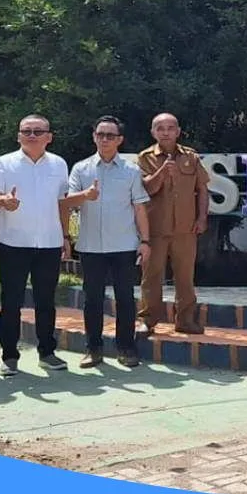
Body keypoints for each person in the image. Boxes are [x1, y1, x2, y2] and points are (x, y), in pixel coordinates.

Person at [0, 114, 72, 375]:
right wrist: (4, 201)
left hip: (48, 242)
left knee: (46, 301)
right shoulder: (3, 163)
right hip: (13, 242)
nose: (32, 136)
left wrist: (66, 237)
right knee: (11, 302)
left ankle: (47, 352)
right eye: (27, 131)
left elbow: (62, 204)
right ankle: (9, 356)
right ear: (18, 135)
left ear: (49, 136)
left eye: (37, 131)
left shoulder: (58, 164)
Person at [66, 116, 152, 369]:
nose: (105, 139)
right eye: (100, 134)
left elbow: (139, 208)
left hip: (124, 245)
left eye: (110, 136)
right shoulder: (81, 169)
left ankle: (126, 347)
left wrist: (145, 241)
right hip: (91, 246)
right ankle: (93, 349)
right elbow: (69, 201)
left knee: (125, 298)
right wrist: (85, 195)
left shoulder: (131, 170)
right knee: (92, 300)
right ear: (94, 136)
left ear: (119, 140)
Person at [136, 113, 210, 336]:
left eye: (170, 128)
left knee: (185, 276)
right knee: (151, 276)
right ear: (153, 132)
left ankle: (186, 320)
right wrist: (162, 172)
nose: (165, 132)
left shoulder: (191, 157)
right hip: (155, 228)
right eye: (160, 128)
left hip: (185, 228)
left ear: (178, 131)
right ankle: (148, 320)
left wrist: (202, 218)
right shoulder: (144, 157)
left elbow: (203, 190)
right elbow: (146, 189)